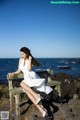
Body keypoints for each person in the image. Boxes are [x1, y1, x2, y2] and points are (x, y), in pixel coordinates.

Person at [8, 47, 53, 117]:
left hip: (31, 77)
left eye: (22, 54)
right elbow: (19, 71)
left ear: (26, 53)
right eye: (20, 54)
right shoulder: (20, 60)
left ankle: (36, 97)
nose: (21, 56)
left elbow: (28, 69)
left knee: (21, 83)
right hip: (26, 78)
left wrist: (29, 60)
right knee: (27, 91)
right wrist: (13, 73)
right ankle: (42, 110)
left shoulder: (30, 59)